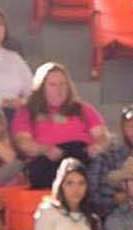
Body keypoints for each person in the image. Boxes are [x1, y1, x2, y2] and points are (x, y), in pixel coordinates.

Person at [12, 61, 110, 189]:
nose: (59, 89)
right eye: (53, 85)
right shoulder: (28, 111)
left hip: (82, 157)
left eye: (63, 84)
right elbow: (23, 143)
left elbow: (103, 136)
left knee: (100, 163)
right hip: (48, 160)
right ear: (41, 88)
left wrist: (97, 146)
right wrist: (45, 149)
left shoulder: (82, 109)